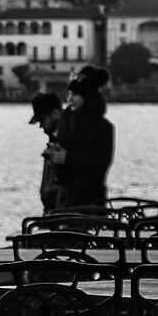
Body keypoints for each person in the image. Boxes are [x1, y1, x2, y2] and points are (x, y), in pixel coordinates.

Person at [55, 66, 116, 209]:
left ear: (87, 96)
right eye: (70, 94)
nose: (70, 99)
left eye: (75, 95)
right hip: (66, 200)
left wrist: (67, 158)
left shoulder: (104, 127)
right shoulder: (67, 121)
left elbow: (101, 165)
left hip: (91, 202)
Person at [30, 92, 63, 210]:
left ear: (55, 113)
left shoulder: (68, 139)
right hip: (54, 212)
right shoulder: (54, 140)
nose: (41, 126)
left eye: (42, 120)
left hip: (63, 212)